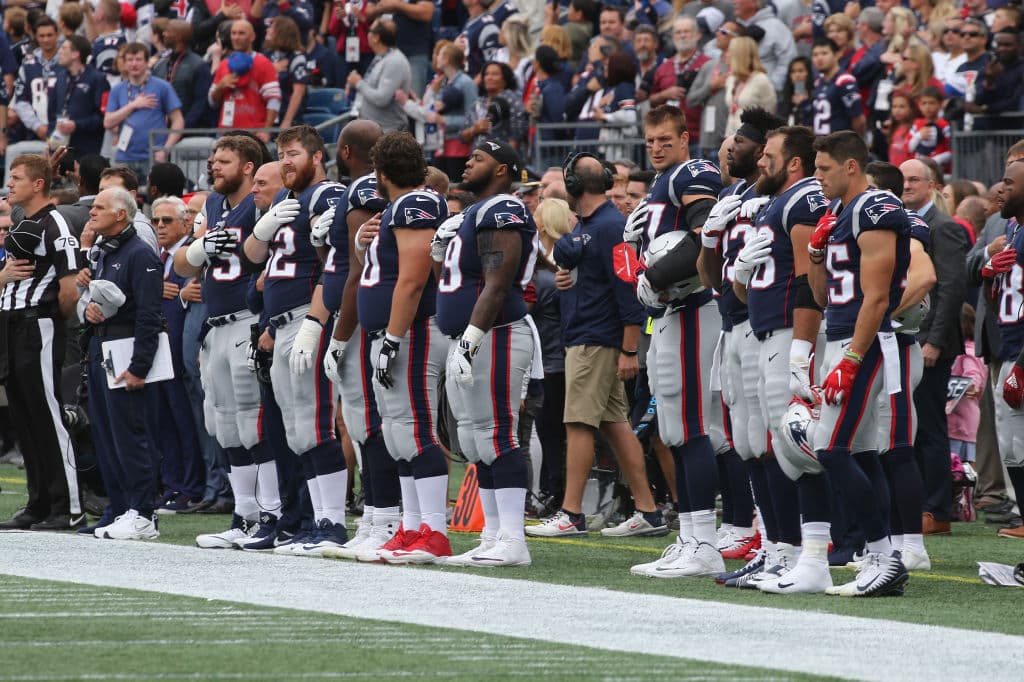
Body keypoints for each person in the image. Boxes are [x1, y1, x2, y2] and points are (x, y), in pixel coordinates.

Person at [527, 152, 662, 539]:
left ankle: (572, 513)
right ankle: (649, 511)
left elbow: (628, 287)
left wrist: (629, 349)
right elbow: (581, 266)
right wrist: (569, 278)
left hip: (595, 340)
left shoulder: (610, 226)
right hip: (589, 336)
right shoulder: (592, 225)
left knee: (578, 422)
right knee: (616, 425)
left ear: (574, 185)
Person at [808, 130, 911, 597]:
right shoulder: (838, 213)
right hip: (840, 333)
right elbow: (820, 295)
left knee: (831, 449)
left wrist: (851, 357)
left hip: (862, 341)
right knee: (862, 452)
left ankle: (885, 556)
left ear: (851, 166)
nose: (817, 176)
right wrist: (816, 252)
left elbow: (878, 296)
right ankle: (879, 555)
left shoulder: (875, 208)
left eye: (824, 168)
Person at [172, 135, 284, 548]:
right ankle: (244, 515)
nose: (214, 166)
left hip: (246, 320)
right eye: (213, 160)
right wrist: (200, 248)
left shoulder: (261, 202)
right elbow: (182, 265)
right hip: (215, 326)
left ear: (249, 166)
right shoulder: (214, 204)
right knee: (223, 424)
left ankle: (272, 514)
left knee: (253, 422)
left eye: (223, 161)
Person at [242, 125, 350, 556]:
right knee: (297, 431)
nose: (285, 162)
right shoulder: (285, 200)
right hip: (282, 323)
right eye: (281, 154)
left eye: (293, 154)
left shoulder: (327, 195)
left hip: (309, 318)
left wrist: (315, 322)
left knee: (315, 425)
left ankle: (332, 522)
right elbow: (253, 256)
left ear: (317, 156)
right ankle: (313, 521)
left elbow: (334, 262)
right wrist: (264, 226)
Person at [626, 105, 724, 578]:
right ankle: (690, 535)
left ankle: (705, 541)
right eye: (651, 141)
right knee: (673, 430)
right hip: (669, 312)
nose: (657, 148)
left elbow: (705, 235)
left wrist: (657, 274)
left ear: (685, 139)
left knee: (691, 427)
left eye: (666, 139)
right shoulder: (660, 184)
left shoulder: (693, 171)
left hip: (692, 306)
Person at [346, 131, 452, 564]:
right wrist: (362, 243)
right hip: (394, 332)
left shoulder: (415, 204)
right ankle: (411, 527)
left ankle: (435, 532)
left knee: (415, 430)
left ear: (381, 172)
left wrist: (392, 336)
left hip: (412, 331)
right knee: (397, 434)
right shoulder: (395, 209)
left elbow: (413, 277)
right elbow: (385, 271)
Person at [434, 139, 536, 567]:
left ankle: (513, 539)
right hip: (472, 336)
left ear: (501, 169)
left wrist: (471, 338)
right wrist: (439, 255)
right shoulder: (473, 214)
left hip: (496, 333)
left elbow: (498, 281)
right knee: (476, 439)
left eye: (479, 158)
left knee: (497, 435)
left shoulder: (502, 208)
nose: (467, 162)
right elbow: (458, 282)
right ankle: (493, 535)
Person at [316, 119, 400, 560]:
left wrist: (339, 335)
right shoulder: (362, 189)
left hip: (363, 321)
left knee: (370, 421)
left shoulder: (365, 189)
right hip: (358, 317)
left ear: (345, 151)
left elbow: (360, 270)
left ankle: (384, 517)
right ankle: (374, 515)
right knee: (360, 420)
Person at [0, 155, 83, 531]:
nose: (9, 184)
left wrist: (50, 319)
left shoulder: (56, 222)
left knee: (48, 414)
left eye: (16, 178)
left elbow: (69, 288)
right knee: (23, 415)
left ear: (37, 184)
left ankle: (69, 505)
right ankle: (39, 503)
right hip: (11, 324)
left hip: (39, 324)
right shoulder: (23, 223)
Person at [863, 160, 936, 571]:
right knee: (872, 447)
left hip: (895, 346)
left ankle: (912, 545)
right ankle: (887, 541)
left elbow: (924, 277)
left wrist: (883, 313)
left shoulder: (905, 224)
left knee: (896, 446)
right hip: (867, 346)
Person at [81, 186, 163, 540]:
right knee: (106, 435)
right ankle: (118, 508)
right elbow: (98, 302)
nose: (92, 212)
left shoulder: (139, 253)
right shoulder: (105, 251)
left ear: (120, 214)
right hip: (102, 347)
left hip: (125, 348)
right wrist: (88, 310)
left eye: (100, 207)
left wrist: (140, 365)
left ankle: (143, 512)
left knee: (130, 434)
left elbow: (149, 314)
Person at [899, 158, 969, 536]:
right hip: (906, 337)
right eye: (903, 179)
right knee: (908, 426)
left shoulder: (944, 227)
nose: (907, 185)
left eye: (915, 179)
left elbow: (952, 289)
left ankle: (936, 509)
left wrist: (935, 342)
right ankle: (915, 503)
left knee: (928, 426)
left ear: (931, 185)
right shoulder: (901, 222)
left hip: (929, 343)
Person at [149, 196, 205, 513]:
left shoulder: (191, 254)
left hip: (181, 350)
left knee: (186, 421)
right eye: (156, 220)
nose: (160, 226)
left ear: (185, 222)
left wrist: (180, 294)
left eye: (167, 220)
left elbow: (195, 293)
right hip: (159, 349)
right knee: (165, 422)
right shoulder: (157, 256)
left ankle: (191, 486)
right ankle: (172, 485)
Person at [980, 160, 1024, 538]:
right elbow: (998, 302)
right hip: (1008, 347)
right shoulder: (1011, 229)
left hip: (1020, 354)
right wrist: (989, 274)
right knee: (1012, 451)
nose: (1000, 190)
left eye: (1009, 183)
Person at [103, 42, 184, 180]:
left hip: (153, 156)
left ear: (147, 62)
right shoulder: (117, 90)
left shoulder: (162, 87)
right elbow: (108, 122)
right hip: (125, 157)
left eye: (138, 59)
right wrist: (133, 105)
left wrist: (166, 149)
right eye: (130, 60)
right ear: (124, 63)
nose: (134, 64)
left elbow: (178, 121)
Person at [209, 20, 281, 141]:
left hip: (254, 134)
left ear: (252, 37)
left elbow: (274, 100)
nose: (236, 37)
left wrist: (266, 130)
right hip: (226, 133)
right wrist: (220, 86)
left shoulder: (263, 63)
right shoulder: (224, 64)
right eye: (233, 33)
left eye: (241, 33)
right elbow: (212, 102)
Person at [646, 17, 708, 153]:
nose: (682, 35)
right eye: (678, 32)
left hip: (699, 137)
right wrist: (665, 94)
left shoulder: (707, 64)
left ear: (698, 35)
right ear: (673, 37)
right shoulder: (663, 67)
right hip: (668, 139)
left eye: (686, 32)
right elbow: (651, 100)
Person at [346, 19, 411, 133]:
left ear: (376, 38)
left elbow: (382, 99)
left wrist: (358, 83)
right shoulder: (381, 57)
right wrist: (355, 83)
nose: (368, 34)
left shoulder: (395, 61)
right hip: (372, 130)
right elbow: (371, 89)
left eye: (369, 30)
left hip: (387, 133)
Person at [49, 34, 109, 156]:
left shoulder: (97, 79)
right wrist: (50, 134)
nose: (59, 52)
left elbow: (102, 117)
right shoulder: (60, 78)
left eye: (64, 48)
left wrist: (76, 125)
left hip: (86, 149)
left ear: (75, 54)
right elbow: (52, 111)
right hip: (60, 147)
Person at [152, 19, 214, 130]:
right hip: (160, 130)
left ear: (178, 37)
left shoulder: (199, 66)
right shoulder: (160, 65)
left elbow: (201, 102)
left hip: (189, 132)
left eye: (167, 31)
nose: (163, 34)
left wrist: (183, 128)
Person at [364, 0, 435, 95]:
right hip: (385, 53)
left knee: (412, 98)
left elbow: (426, 13)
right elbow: (368, 11)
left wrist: (396, 4)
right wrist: (381, 7)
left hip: (413, 53)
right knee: (383, 96)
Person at [11, 16, 60, 146]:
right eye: (41, 36)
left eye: (49, 35)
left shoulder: (67, 62)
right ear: (36, 37)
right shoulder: (27, 65)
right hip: (34, 133)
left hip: (64, 132)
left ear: (57, 35)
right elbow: (21, 100)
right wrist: (37, 126)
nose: (46, 39)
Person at [732, 0, 796, 89]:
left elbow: (788, 60)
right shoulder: (733, 28)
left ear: (754, 2)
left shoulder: (776, 27)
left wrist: (771, 86)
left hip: (766, 93)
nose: (734, 1)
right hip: (737, 92)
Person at [809, 38, 865, 137]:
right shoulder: (817, 82)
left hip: (839, 143)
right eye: (815, 55)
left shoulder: (845, 81)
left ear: (837, 55)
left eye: (824, 53)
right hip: (820, 142)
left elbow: (858, 118)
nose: (819, 58)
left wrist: (854, 141)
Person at [724, 37, 776, 135]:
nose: (726, 54)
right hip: (731, 136)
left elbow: (770, 114)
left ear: (739, 55)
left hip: (753, 138)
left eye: (729, 51)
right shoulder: (731, 79)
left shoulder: (761, 80)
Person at [264, 15, 308, 131]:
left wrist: (287, 121)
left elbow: (298, 92)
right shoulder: (267, 55)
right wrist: (272, 69)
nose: (267, 30)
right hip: (266, 116)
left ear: (281, 32)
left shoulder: (297, 58)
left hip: (286, 118)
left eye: (271, 28)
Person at [907, 87, 952, 172]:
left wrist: (935, 160)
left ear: (940, 104)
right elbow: (909, 148)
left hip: (940, 170)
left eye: (932, 103)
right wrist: (918, 136)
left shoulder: (945, 125)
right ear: (919, 106)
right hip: (920, 169)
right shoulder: (917, 124)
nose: (927, 107)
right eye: (924, 103)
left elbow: (951, 151)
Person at [89, 0, 126, 87]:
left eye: (95, 10)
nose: (93, 14)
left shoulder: (105, 46)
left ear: (101, 16)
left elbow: (110, 81)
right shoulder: (123, 37)